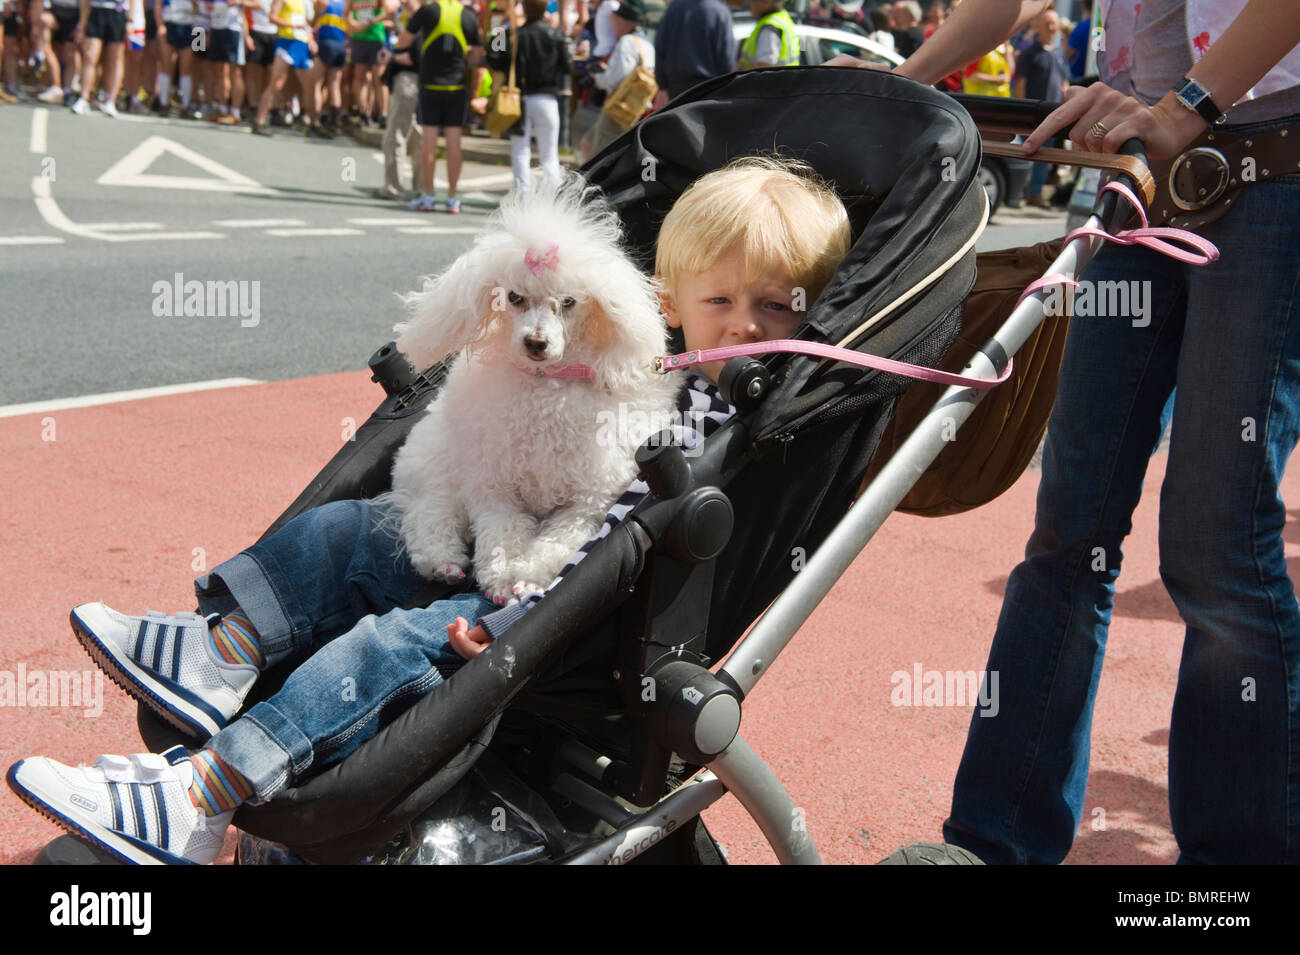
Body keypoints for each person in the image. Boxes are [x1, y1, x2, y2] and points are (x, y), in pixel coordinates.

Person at [6, 154, 853, 866]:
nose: (747, 326)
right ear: (668, 300)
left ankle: (201, 796)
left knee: (379, 647)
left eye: (777, 306)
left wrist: (523, 609)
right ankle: (218, 650)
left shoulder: (733, 415)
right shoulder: (636, 357)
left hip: (555, 607)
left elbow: (613, 525)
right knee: (350, 530)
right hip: (493, 545)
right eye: (723, 301)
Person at [832, 0, 1300, 865]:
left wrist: (1182, 106)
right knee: (1069, 527)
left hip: (1271, 165)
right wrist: (898, 90)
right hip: (1144, 162)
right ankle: (993, 839)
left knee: (1217, 535)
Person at [397, 0, 482, 213]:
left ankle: (428, 196)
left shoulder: (427, 10)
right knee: (455, 144)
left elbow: (402, 41)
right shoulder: (468, 15)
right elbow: (478, 55)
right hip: (456, 86)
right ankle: (453, 198)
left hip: (430, 84)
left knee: (429, 144)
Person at [484, 0, 567, 199]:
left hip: (519, 98)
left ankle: (522, 198)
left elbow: (494, 58)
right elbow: (567, 66)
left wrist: (499, 27)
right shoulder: (556, 35)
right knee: (550, 154)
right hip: (548, 98)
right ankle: (553, 199)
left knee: (520, 150)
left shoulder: (512, 34)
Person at [250, 0, 332, 136]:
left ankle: (314, 125)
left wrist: (311, 40)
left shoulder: (306, 2)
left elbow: (307, 23)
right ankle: (259, 121)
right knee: (276, 83)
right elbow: (272, 17)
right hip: (286, 42)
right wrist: (293, 25)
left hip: (302, 44)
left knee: (309, 86)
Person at [1013, 9, 1068, 207]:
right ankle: (1018, 193)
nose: (1053, 28)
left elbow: (1064, 83)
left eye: (1055, 24)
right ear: (1040, 26)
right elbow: (1020, 83)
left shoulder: (1058, 52)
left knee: (1044, 156)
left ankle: (1034, 193)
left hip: (1054, 115)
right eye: (1049, 24)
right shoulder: (1030, 53)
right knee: (1026, 153)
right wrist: (1021, 110)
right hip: (1032, 114)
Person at [583, 0, 650, 157]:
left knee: (597, 153)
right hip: (637, 106)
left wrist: (597, 77)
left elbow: (614, 80)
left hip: (620, 107)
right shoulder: (645, 41)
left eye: (614, 21)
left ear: (624, 22)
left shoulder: (626, 42)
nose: (612, 25)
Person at [375, 0, 421, 199]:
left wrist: (392, 57)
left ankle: (394, 188)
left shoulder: (421, 19)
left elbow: (416, 56)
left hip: (410, 80)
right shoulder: (409, 16)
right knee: (418, 137)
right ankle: (422, 189)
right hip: (424, 82)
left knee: (397, 136)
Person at [650, 0, 730, 107]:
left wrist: (662, 86)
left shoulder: (675, 7)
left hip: (676, 89)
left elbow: (660, 46)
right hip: (709, 89)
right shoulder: (719, 10)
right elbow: (726, 58)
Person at [71, 0, 130, 115]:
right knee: (90, 56)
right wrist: (83, 21)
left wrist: (131, 20)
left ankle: (111, 101)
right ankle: (84, 98)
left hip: (118, 11)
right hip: (97, 10)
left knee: (116, 59)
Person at [736, 0, 799, 70]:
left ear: (766, 1)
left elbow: (765, 69)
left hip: (771, 80)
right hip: (786, 79)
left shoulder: (769, 29)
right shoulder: (782, 17)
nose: (750, 2)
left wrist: (740, 70)